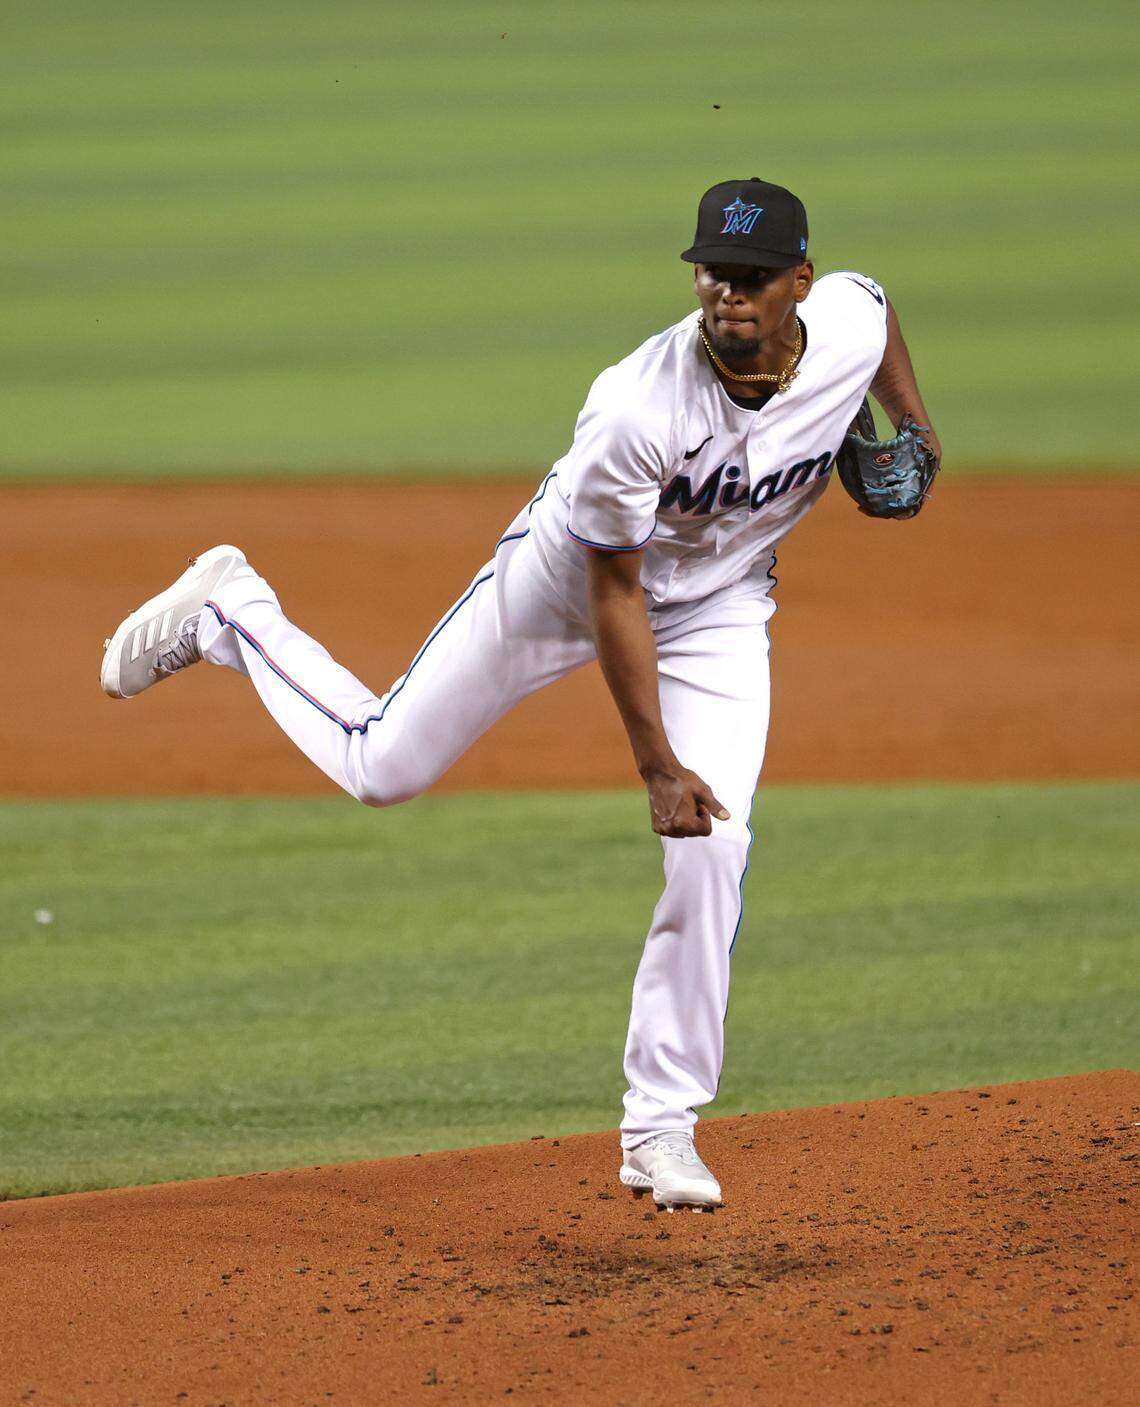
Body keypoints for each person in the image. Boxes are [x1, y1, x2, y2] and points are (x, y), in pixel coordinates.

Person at [101, 177, 940, 1212]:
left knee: (714, 847)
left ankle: (660, 1129)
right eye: (714, 274)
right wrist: (656, 768)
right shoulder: (638, 407)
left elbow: (880, 302)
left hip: (721, 609)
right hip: (567, 584)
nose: (729, 295)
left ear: (797, 285)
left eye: (755, 279)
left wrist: (915, 420)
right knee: (384, 767)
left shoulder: (843, 324)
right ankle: (231, 611)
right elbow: (616, 590)